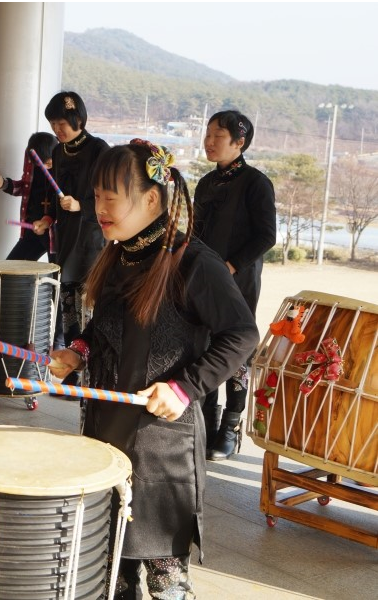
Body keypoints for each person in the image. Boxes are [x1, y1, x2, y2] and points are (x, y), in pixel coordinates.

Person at [49, 140, 259, 600]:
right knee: (110, 577)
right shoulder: (119, 254)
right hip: (106, 434)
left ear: (150, 199)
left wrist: (184, 388)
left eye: (111, 197)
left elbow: (242, 337)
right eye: (96, 195)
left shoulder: (195, 263)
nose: (99, 207)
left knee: (167, 583)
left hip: (163, 448)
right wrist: (77, 353)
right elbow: (101, 331)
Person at [194, 110, 276, 461]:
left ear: (239, 143)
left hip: (238, 282)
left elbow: (267, 236)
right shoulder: (205, 183)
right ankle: (207, 423)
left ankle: (230, 427)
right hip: (203, 280)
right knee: (203, 346)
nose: (209, 142)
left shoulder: (256, 182)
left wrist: (230, 265)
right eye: (208, 134)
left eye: (218, 136)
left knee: (236, 349)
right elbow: (196, 233)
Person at [43, 91, 109, 356]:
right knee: (67, 301)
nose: (57, 130)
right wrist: (48, 217)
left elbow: (109, 194)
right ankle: (72, 361)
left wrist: (82, 205)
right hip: (67, 234)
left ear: (78, 119)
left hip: (91, 235)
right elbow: (54, 190)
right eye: (53, 125)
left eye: (61, 124)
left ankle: (88, 367)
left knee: (88, 302)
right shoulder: (58, 152)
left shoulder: (99, 149)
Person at [0, 132, 57, 260]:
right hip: (32, 227)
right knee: (10, 272)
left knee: (60, 278)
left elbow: (69, 202)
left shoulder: (67, 158)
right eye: (40, 165)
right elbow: (26, 187)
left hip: (56, 232)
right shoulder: (31, 155)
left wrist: (48, 222)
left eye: (49, 164)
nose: (44, 168)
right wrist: (4, 184)